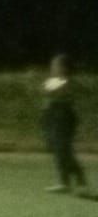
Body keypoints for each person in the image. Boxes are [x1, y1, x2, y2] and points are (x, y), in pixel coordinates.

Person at [41, 54, 89, 194]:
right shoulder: (55, 80)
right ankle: (63, 182)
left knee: (63, 150)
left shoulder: (66, 81)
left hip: (63, 116)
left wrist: (49, 88)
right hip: (51, 116)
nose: (52, 67)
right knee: (56, 149)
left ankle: (82, 182)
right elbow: (45, 90)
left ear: (63, 67)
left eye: (55, 65)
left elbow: (49, 90)